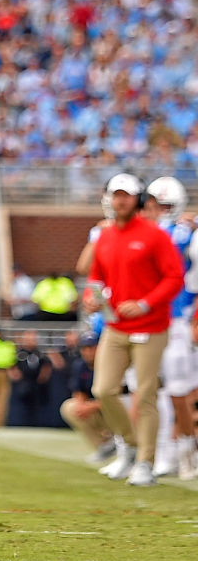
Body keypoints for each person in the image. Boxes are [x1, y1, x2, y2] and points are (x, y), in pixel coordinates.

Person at [84, 173, 184, 486]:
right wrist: (91, 298)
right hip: (116, 326)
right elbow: (96, 278)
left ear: (137, 199)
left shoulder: (155, 235)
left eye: (126, 195)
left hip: (151, 327)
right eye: (116, 195)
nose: (120, 201)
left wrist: (144, 303)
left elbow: (174, 278)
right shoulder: (106, 237)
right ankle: (129, 445)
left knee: (145, 395)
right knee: (103, 390)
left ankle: (145, 462)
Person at [143, 177, 198, 480]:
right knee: (156, 390)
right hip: (152, 317)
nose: (158, 210)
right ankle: (165, 452)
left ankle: (186, 448)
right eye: (155, 204)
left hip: (179, 319)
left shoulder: (181, 233)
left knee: (177, 390)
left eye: (164, 205)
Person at [58, 332, 115, 464]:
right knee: (70, 407)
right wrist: (82, 406)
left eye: (92, 347)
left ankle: (121, 443)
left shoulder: (110, 364)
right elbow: (78, 391)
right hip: (96, 409)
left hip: (112, 408)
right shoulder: (80, 365)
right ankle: (104, 447)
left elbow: (120, 394)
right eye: (85, 348)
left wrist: (93, 406)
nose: (88, 352)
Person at [9, 330, 52, 427]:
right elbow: (11, 365)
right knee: (22, 406)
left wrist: (43, 375)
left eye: (32, 339)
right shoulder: (19, 353)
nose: (30, 341)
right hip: (23, 383)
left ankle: (37, 424)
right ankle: (20, 424)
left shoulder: (39, 353)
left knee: (37, 406)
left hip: (36, 384)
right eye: (28, 339)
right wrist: (14, 374)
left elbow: (47, 365)